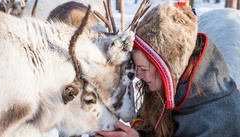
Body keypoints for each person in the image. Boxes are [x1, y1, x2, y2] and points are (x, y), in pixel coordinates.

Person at [97, 1, 240, 137]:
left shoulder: (219, 119)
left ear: (168, 67)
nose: (138, 75)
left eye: (143, 69)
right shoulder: (165, 92)